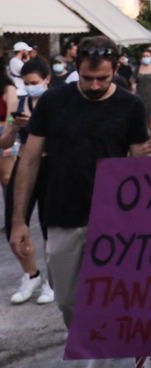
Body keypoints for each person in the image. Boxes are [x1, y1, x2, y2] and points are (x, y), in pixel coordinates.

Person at [7, 35, 151, 328]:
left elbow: (138, 166)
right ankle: (85, 342)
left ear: (116, 69)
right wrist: (18, 221)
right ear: (77, 68)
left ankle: (103, 348)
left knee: (114, 298)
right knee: (67, 301)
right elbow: (29, 161)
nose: (95, 85)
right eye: (88, 78)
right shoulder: (52, 101)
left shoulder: (130, 105)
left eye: (103, 78)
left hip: (114, 219)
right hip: (63, 216)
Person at [2, 59, 54, 305]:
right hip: (23, 165)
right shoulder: (19, 104)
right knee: (14, 223)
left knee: (49, 226)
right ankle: (31, 274)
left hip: (50, 165)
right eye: (26, 83)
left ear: (47, 80)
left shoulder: (55, 102)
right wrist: (14, 128)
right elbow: (4, 140)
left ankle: (52, 280)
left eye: (35, 82)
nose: (31, 87)